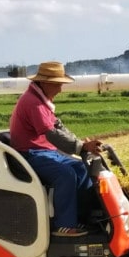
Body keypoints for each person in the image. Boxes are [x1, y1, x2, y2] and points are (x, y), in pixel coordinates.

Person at [9, 61, 102, 237]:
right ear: (44, 83)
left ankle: (80, 218)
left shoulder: (41, 100)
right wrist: (80, 146)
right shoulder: (33, 103)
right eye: (58, 84)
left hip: (45, 152)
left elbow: (58, 127)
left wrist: (80, 145)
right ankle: (64, 226)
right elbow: (51, 133)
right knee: (65, 174)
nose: (60, 89)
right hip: (30, 154)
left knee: (81, 169)